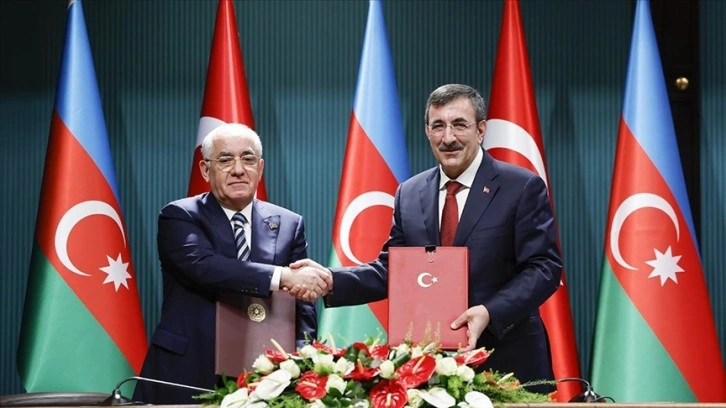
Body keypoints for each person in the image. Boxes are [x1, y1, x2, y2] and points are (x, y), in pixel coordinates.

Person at [292, 84, 562, 393]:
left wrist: (489, 312)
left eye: (459, 125)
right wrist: (330, 279)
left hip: (508, 363)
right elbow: (392, 270)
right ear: (427, 131)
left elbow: (544, 268)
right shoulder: (410, 193)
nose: (448, 138)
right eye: (438, 126)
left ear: (481, 130)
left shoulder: (521, 186)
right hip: (431, 371)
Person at [134, 123, 332, 404]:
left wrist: (301, 361)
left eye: (248, 159)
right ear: (205, 170)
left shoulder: (289, 223)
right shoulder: (180, 216)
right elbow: (204, 267)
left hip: (268, 377)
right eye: (225, 160)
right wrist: (283, 277)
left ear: (260, 168)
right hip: (189, 370)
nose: (238, 169)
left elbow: (302, 306)